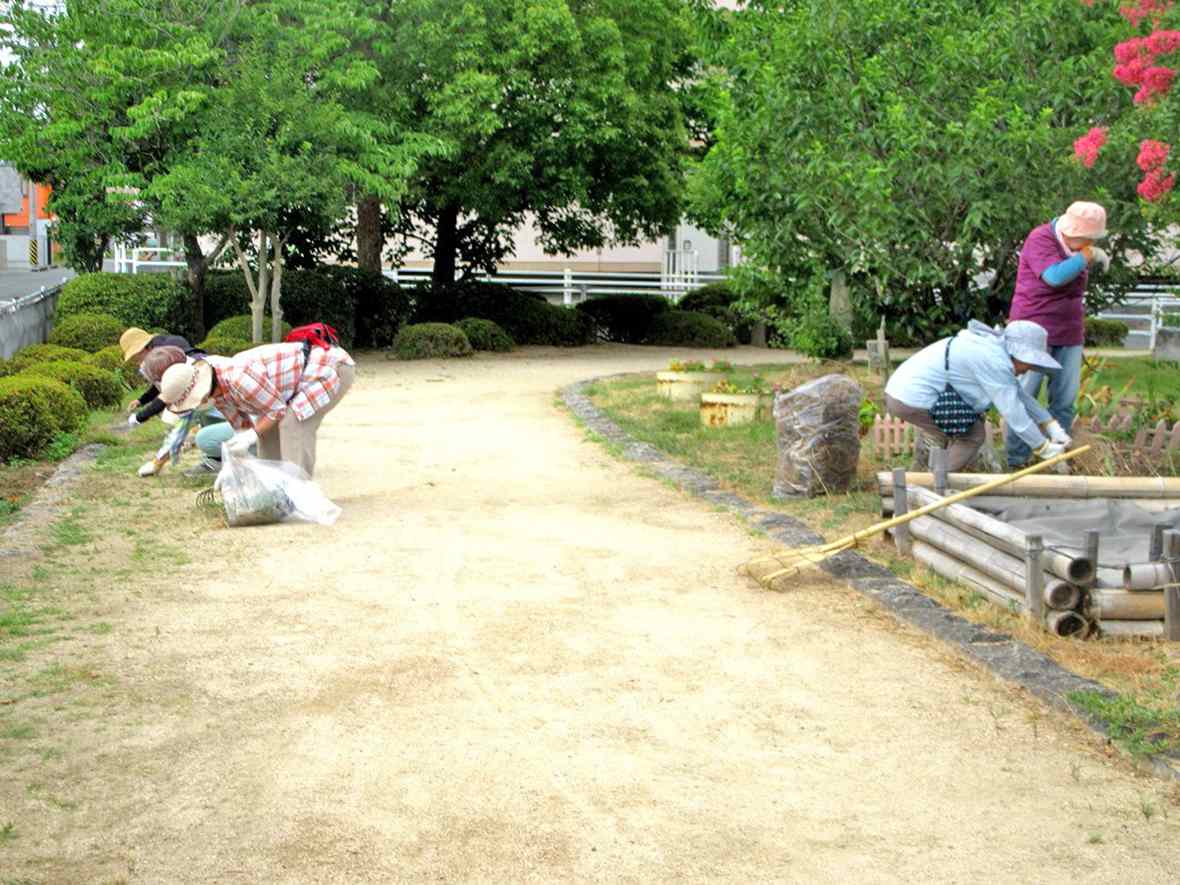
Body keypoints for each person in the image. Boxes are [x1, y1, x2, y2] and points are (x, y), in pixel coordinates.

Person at [884, 320, 1073, 472]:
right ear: (1019, 354)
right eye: (1030, 363)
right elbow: (1013, 412)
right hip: (911, 397)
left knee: (962, 431)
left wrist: (1051, 426)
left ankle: (931, 474)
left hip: (904, 391)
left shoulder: (994, 350)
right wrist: (1042, 447)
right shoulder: (993, 360)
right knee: (972, 435)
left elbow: (1019, 395)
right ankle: (935, 483)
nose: (1028, 369)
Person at [1006, 201, 1110, 467]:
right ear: (1072, 232)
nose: (1090, 244)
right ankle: (1016, 460)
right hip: (1031, 332)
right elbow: (1053, 277)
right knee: (1023, 397)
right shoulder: (1040, 238)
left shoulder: (1076, 249)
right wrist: (1085, 258)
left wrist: (1082, 256)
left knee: (1064, 402)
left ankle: (1057, 460)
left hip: (1069, 331)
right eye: (1087, 239)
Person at [156, 341, 355, 477]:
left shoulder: (239, 378)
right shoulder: (217, 392)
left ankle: (299, 493)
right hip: (295, 384)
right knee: (265, 433)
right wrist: (237, 462)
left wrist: (251, 435)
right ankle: (274, 488)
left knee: (291, 423)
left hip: (327, 368)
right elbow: (243, 427)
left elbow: (276, 410)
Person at [119, 328, 207, 427]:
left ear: (144, 348)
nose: (137, 362)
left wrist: (138, 418)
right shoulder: (165, 352)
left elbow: (166, 396)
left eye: (136, 358)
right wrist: (141, 401)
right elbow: (161, 386)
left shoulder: (164, 358)